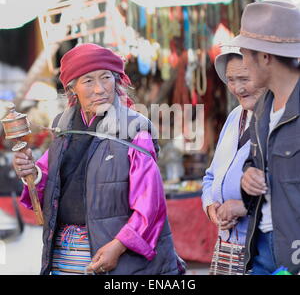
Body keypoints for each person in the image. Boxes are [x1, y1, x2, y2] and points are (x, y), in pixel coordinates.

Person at [12, 43, 183, 275]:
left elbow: (150, 204)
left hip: (115, 255)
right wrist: (31, 173)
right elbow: (48, 183)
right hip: (63, 256)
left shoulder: (134, 130)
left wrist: (120, 245)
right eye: (88, 81)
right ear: (72, 88)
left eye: (106, 78)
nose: (100, 89)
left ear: (117, 80)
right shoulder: (63, 127)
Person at [230, 1, 300, 275]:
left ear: (265, 57)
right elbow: (254, 163)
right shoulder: (262, 107)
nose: (243, 64)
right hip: (262, 247)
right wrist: (247, 177)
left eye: (246, 55)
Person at [202, 48, 265, 260]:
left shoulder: (279, 118)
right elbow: (210, 176)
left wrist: (244, 206)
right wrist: (211, 206)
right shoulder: (234, 117)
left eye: (245, 78)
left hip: (261, 245)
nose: (238, 88)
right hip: (227, 245)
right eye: (230, 79)